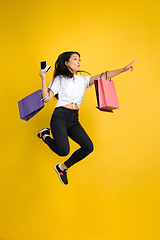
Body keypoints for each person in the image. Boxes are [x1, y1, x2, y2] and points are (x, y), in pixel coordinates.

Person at [37, 51, 135, 185]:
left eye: (79, 59)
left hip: (74, 119)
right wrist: (43, 78)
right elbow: (46, 99)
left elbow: (103, 76)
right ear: (66, 63)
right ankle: (44, 135)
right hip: (60, 117)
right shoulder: (59, 79)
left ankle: (62, 168)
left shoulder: (83, 80)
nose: (79, 62)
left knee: (88, 147)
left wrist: (123, 69)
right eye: (75, 59)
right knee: (63, 151)